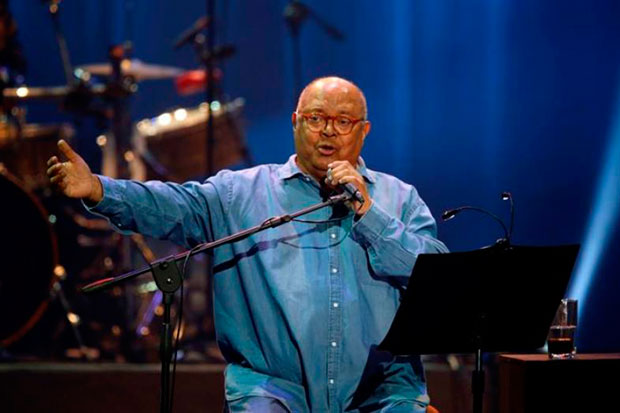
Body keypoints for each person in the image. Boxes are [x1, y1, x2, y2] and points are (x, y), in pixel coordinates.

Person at [47, 76, 448, 412]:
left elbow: (437, 279)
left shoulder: (399, 198)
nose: (328, 130)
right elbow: (171, 205)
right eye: (315, 118)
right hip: (273, 392)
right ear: (295, 123)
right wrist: (99, 190)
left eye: (343, 121)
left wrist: (370, 214)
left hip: (381, 396)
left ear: (364, 131)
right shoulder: (241, 194)